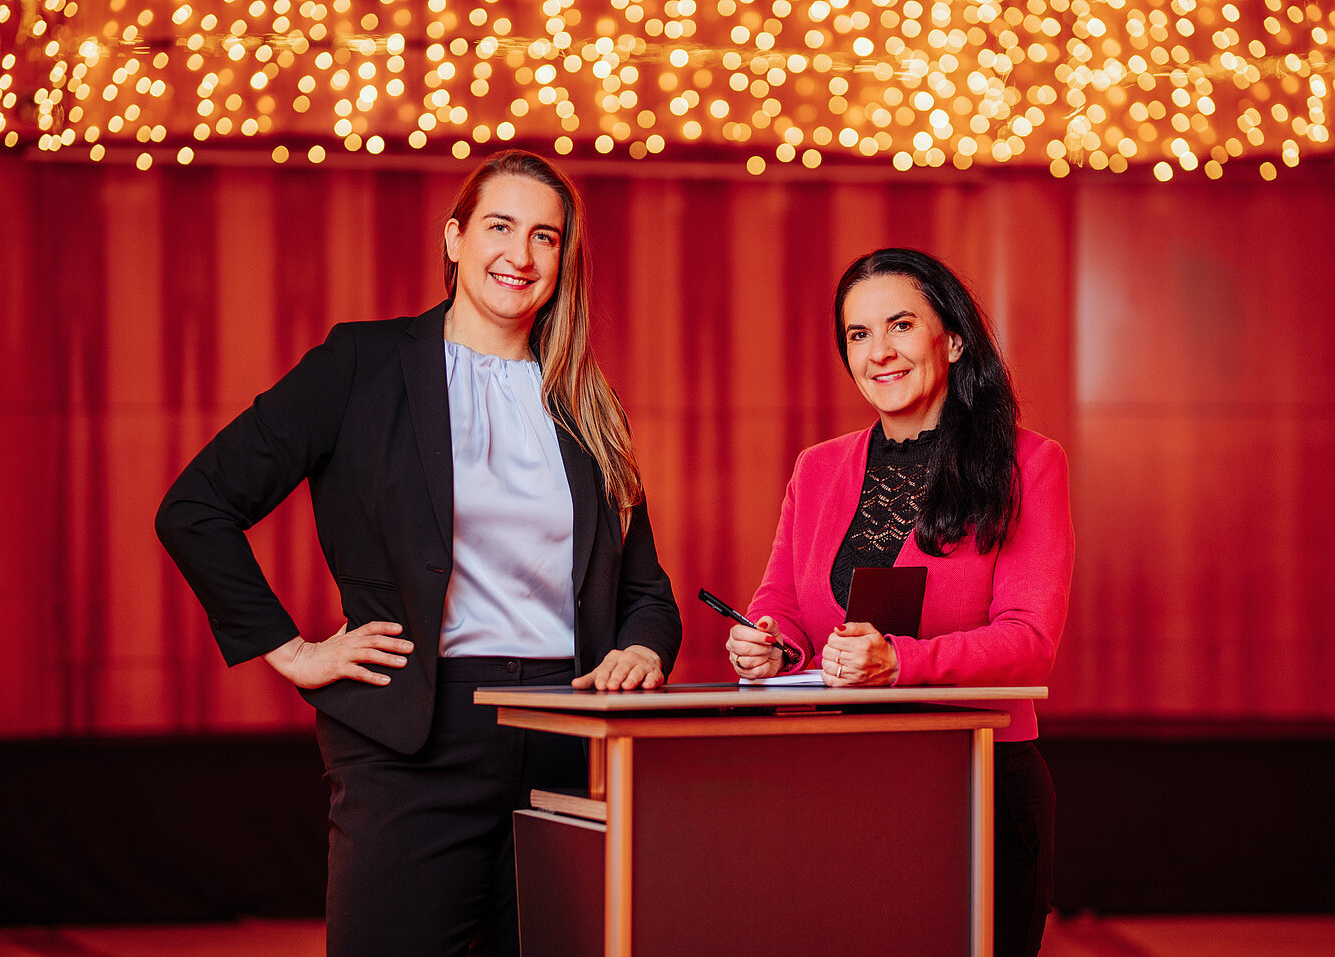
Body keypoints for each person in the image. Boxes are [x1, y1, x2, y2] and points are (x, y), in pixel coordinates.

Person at [155, 149, 682, 957]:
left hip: (570, 737)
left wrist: (642, 646)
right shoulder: (360, 365)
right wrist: (291, 649)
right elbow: (195, 507)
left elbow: (645, 589)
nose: (522, 254)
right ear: (454, 237)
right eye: (500, 227)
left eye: (546, 236)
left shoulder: (587, 402)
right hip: (413, 741)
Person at [726, 248, 1073, 957]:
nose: (878, 351)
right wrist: (767, 642)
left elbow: (1029, 639)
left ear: (951, 339)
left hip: (978, 782)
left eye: (900, 325)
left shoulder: (1028, 464)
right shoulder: (817, 467)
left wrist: (900, 664)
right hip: (839, 775)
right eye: (858, 334)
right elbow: (783, 604)